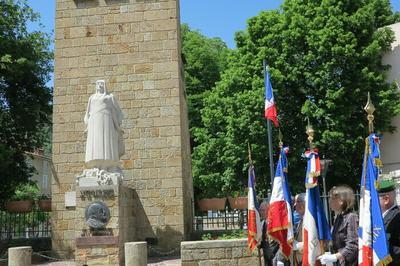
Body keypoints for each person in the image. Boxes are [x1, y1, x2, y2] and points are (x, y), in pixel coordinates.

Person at [84, 80, 124, 169]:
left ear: (105, 85)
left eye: (102, 84)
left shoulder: (109, 97)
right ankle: (95, 163)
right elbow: (88, 113)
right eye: (98, 84)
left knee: (107, 140)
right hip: (94, 123)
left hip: (107, 121)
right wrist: (87, 127)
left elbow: (114, 111)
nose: (100, 85)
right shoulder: (92, 98)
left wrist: (117, 127)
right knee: (95, 140)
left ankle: (107, 163)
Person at [319, 185, 358, 266]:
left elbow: (353, 245)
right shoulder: (339, 217)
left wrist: (335, 257)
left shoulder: (351, 217)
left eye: (332, 198)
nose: (329, 201)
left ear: (341, 201)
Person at [377, 177, 400, 266]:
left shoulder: (397, 218)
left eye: (374, 199)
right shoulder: (379, 218)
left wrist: (382, 262)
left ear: (386, 199)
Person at [259, 201, 279, 266]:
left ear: (269, 210)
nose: (261, 212)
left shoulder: (273, 224)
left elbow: (276, 241)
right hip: (266, 256)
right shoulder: (262, 223)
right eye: (260, 210)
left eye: (263, 210)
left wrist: (271, 254)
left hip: (274, 255)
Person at [293, 193, 305, 265]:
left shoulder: (309, 221)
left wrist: (298, 245)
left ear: (302, 206)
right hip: (300, 260)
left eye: (297, 202)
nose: (294, 205)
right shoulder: (301, 220)